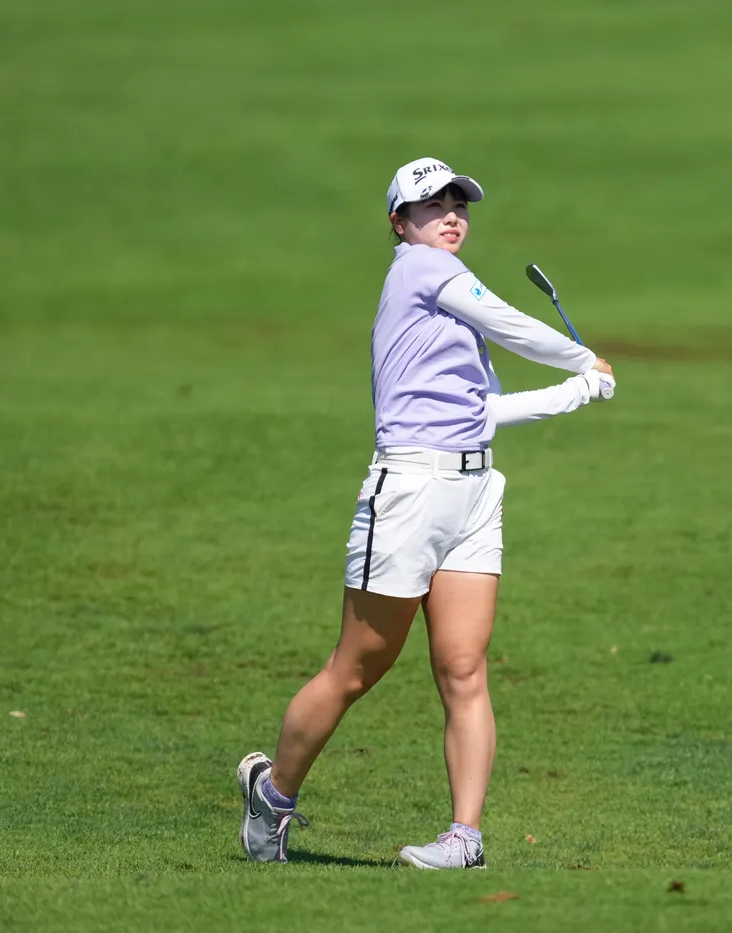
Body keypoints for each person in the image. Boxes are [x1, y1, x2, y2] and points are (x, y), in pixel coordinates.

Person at [236, 156, 616, 869]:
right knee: (357, 668)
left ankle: (464, 839)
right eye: (432, 205)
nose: (450, 216)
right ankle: (273, 794)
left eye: (458, 204)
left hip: (474, 492)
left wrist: (577, 392)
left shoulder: (449, 306)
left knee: (464, 668)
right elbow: (509, 322)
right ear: (399, 223)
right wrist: (581, 358)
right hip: (409, 490)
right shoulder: (421, 270)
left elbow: (481, 412)